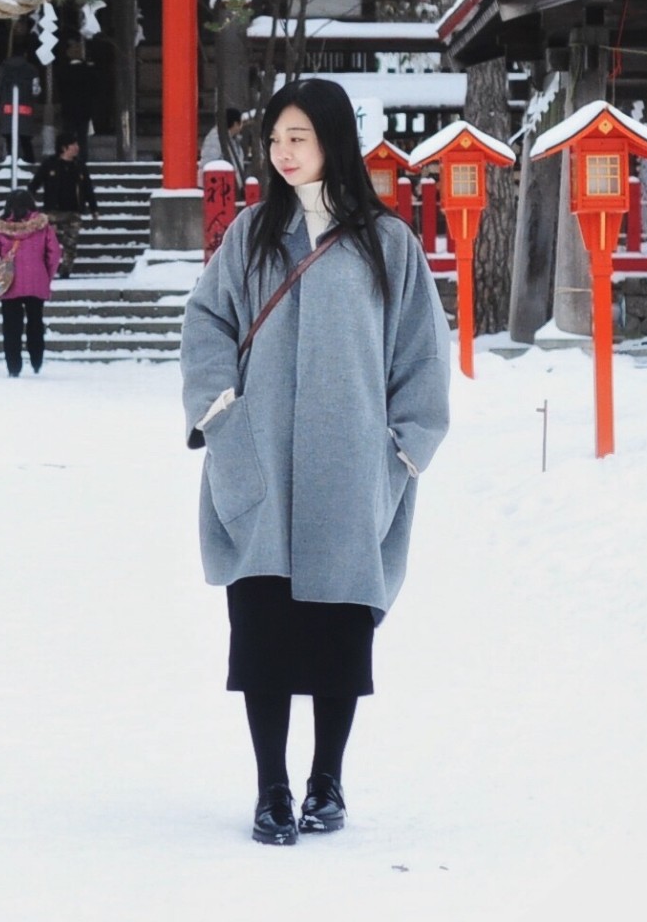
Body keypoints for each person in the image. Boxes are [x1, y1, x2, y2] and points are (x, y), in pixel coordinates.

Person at [179, 77, 450, 846]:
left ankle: (327, 781)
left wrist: (403, 448)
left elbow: (420, 356)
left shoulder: (386, 242)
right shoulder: (251, 234)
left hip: (351, 467)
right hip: (258, 460)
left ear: (333, 140)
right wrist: (218, 416)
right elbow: (206, 325)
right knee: (261, 630)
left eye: (297, 136)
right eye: (274, 139)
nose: (283, 152)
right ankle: (271, 788)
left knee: (338, 633)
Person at [0, 188, 60, 377]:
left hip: (9, 283)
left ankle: (13, 366)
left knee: (11, 326)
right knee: (35, 322)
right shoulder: (42, 226)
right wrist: (46, 274)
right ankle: (36, 359)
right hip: (36, 280)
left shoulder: (0, 229)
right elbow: (54, 253)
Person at [29, 132, 99, 278]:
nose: (77, 147)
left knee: (71, 243)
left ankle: (66, 269)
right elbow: (35, 184)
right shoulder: (50, 164)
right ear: (64, 147)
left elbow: (87, 187)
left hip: (73, 211)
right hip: (53, 211)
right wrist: (28, 204)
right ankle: (46, 268)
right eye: (73, 144)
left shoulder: (79, 166)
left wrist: (94, 208)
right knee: (48, 243)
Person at [0, 43, 42, 165]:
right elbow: (35, 90)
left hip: (8, 108)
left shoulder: (4, 68)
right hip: (25, 108)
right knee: (25, 139)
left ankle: (11, 159)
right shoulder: (32, 69)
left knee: (10, 137)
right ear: (25, 54)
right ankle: (29, 160)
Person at [55, 40, 100, 156]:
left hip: (68, 107)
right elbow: (95, 88)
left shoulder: (63, 70)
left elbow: (60, 89)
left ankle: (67, 155)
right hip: (84, 108)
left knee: (68, 134)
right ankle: (83, 157)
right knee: (82, 136)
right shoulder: (88, 70)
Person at [200, 105, 251, 179]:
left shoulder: (234, 140)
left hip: (231, 186)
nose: (242, 127)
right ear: (235, 123)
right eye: (241, 123)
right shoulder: (215, 139)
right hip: (221, 185)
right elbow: (209, 164)